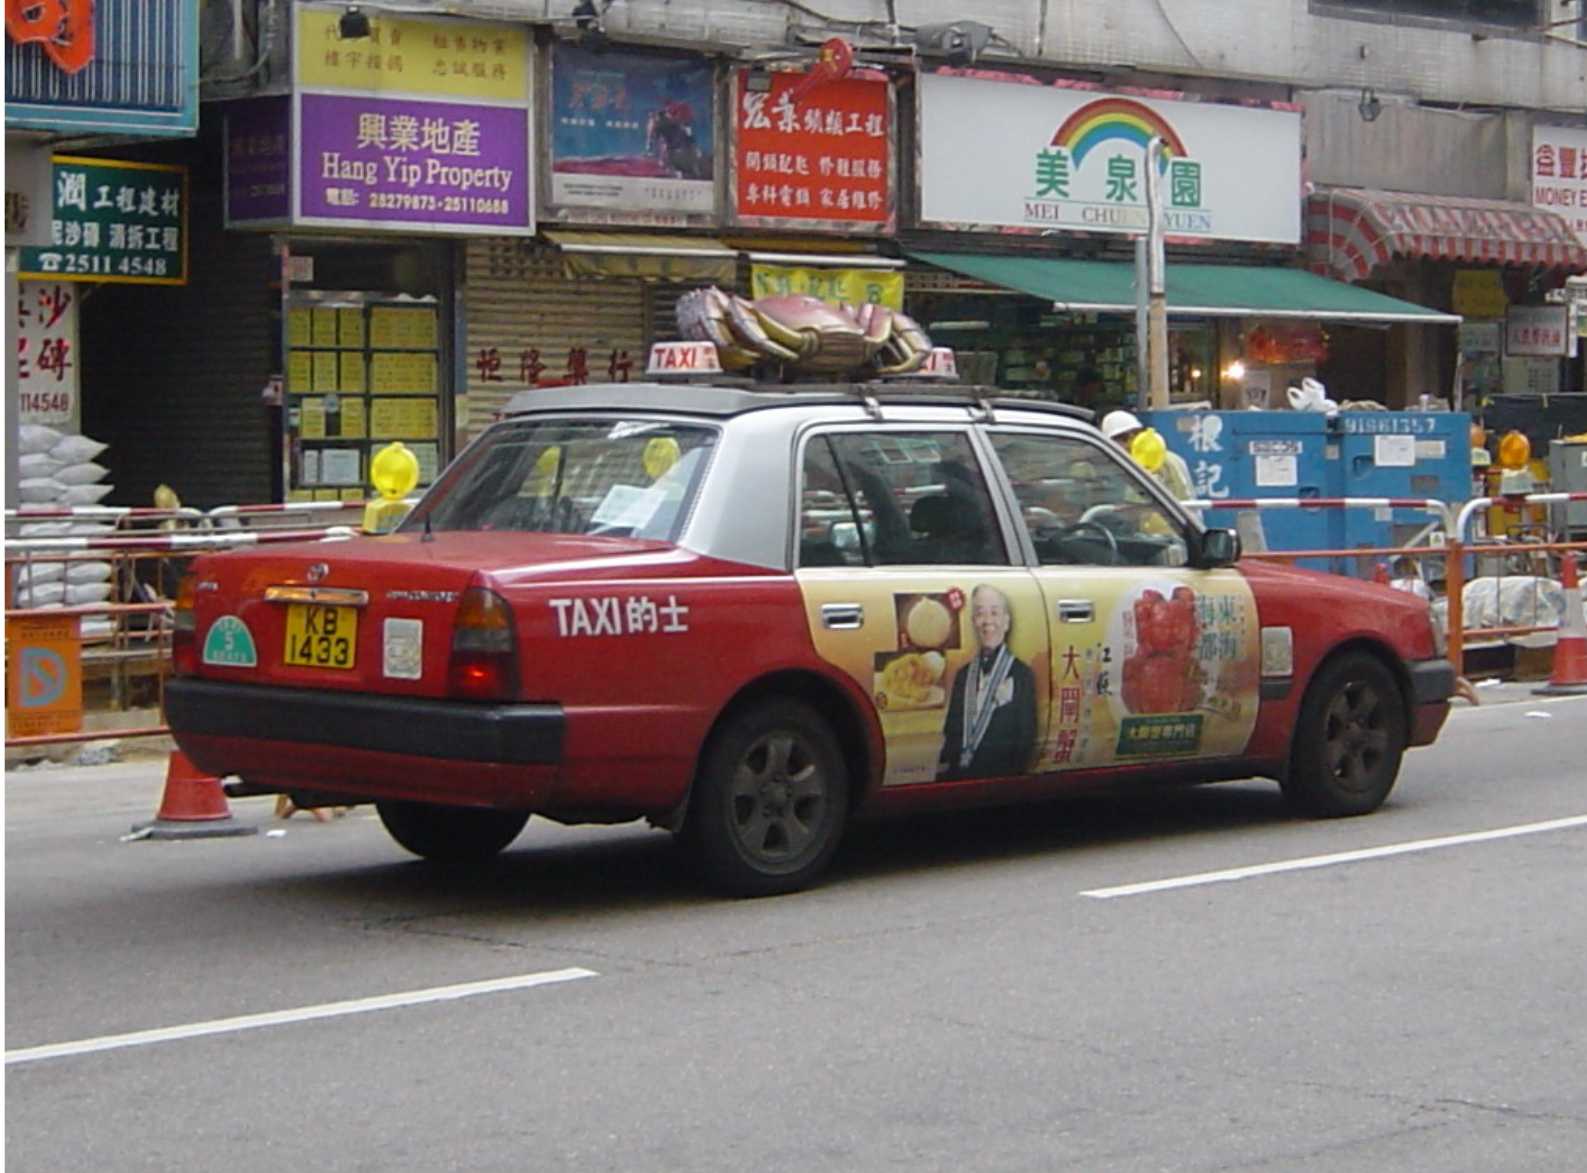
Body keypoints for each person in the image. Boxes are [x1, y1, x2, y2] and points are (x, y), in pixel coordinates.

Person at [938, 584, 1037, 781]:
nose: (987, 621)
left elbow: (1026, 737)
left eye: (994, 613)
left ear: (1007, 622)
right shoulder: (963, 675)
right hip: (958, 777)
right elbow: (951, 731)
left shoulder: (1022, 675)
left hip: (1002, 779)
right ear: (974, 621)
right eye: (981, 614)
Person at [1101, 409, 1196, 503]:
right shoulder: (1108, 467)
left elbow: (1188, 499)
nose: (1131, 441)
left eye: (1136, 433)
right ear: (1109, 442)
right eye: (1123, 438)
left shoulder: (1171, 460)